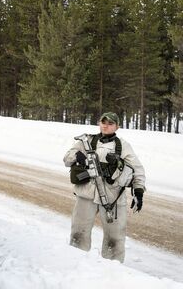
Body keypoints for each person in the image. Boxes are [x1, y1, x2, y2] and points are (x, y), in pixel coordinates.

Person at [63, 112, 146, 262]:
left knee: (115, 239)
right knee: (78, 233)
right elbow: (67, 159)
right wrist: (77, 156)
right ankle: (75, 264)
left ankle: (112, 270)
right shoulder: (86, 141)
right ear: (99, 123)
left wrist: (139, 191)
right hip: (86, 195)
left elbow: (137, 170)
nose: (106, 126)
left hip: (112, 198)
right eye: (103, 122)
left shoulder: (123, 146)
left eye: (110, 123)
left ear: (117, 127)